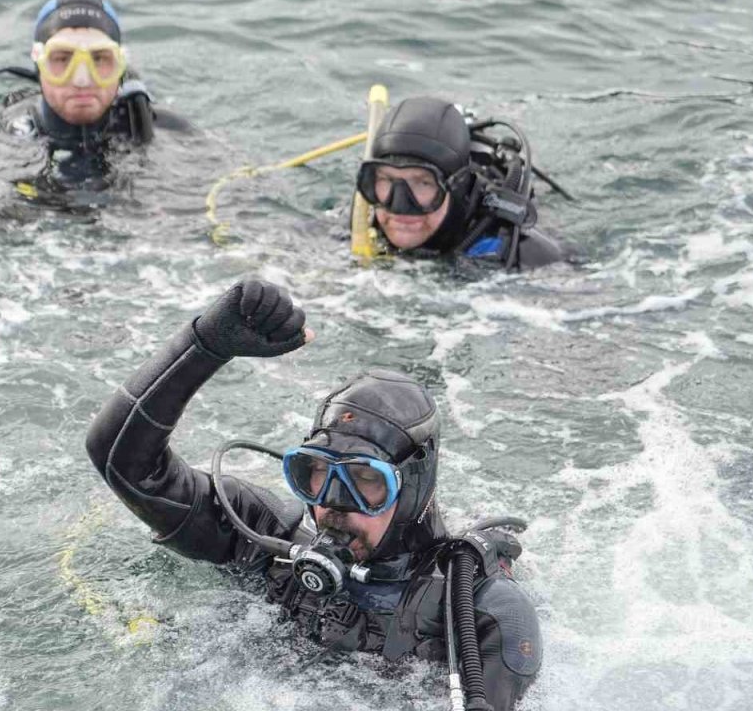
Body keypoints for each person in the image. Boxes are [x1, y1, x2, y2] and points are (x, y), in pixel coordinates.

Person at [85, 278, 542, 711]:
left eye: (365, 482)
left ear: (412, 487)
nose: (333, 504)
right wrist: (205, 346)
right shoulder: (267, 544)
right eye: (317, 474)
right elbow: (124, 465)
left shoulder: (482, 612)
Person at [0, 0, 186, 190]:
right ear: (39, 67)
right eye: (62, 59)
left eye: (99, 59)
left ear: (119, 67)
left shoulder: (160, 129)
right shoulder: (10, 140)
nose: (82, 80)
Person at [355, 96, 569, 270]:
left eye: (423, 183)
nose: (399, 205)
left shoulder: (526, 254)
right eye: (387, 180)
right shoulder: (361, 219)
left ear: (456, 186)